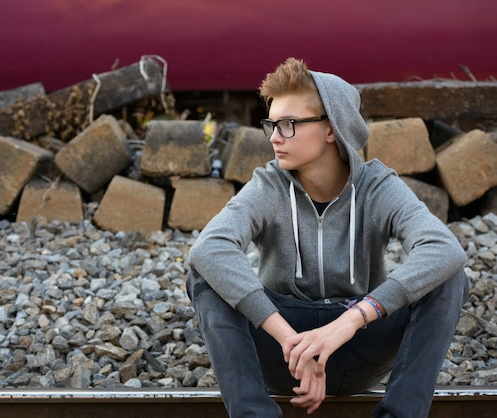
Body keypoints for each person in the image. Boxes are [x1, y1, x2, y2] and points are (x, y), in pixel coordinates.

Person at [186, 57, 469, 417]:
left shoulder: (377, 187)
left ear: (331, 128)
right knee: (204, 274)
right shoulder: (269, 185)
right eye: (271, 124)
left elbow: (444, 249)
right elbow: (210, 248)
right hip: (283, 354)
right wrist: (293, 342)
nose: (274, 137)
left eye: (288, 124)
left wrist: (349, 321)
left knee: (448, 277)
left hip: (360, 347)